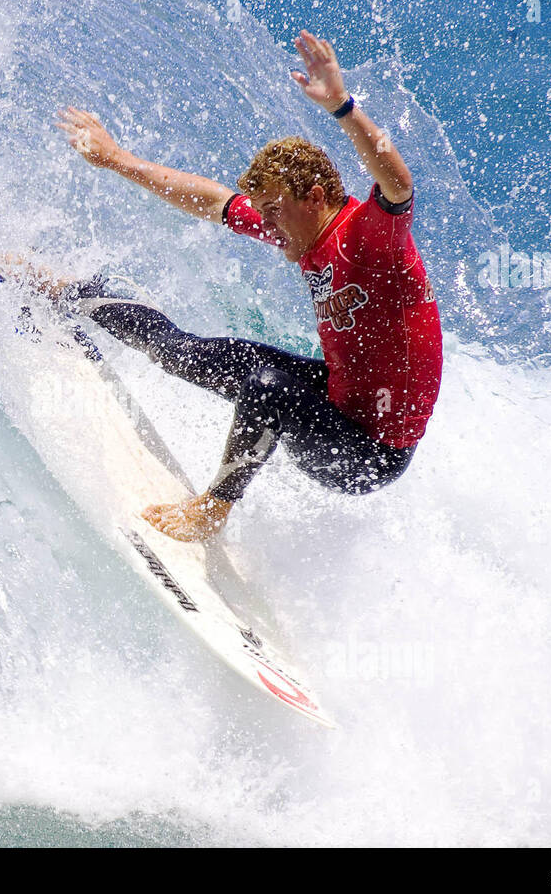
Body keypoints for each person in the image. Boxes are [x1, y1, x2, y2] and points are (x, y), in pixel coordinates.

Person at [37, 31, 442, 542]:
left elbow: (399, 185)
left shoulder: (369, 236)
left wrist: (342, 105)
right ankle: (75, 296)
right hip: (336, 398)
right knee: (186, 352)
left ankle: (211, 511)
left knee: (268, 390)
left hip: (369, 453)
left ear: (314, 197)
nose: (266, 228)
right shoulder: (294, 224)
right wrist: (117, 158)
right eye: (264, 213)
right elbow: (214, 201)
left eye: (273, 212)